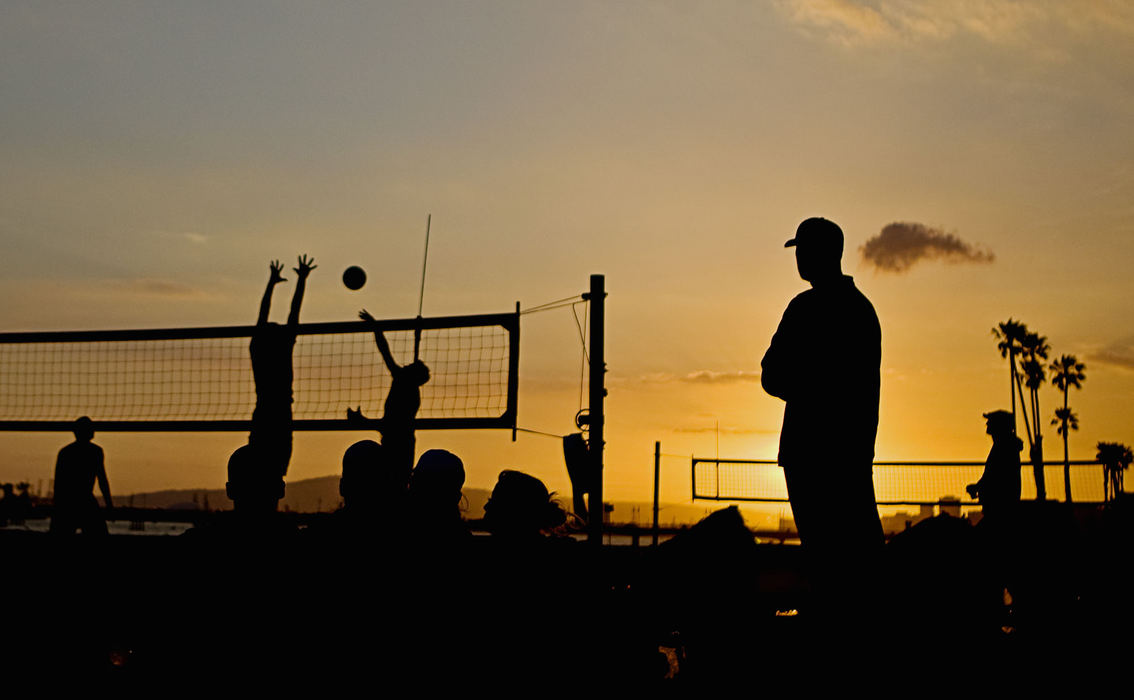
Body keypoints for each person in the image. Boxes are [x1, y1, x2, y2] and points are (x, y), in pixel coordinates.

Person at [760, 217, 884, 607]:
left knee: (827, 560)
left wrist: (807, 390)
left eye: (802, 250)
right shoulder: (862, 310)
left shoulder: (804, 309)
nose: (798, 258)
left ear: (821, 254)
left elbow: (771, 375)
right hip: (849, 455)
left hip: (811, 456)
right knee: (858, 560)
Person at [249, 255, 315, 481]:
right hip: (280, 415)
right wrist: (302, 280)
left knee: (260, 470)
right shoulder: (281, 344)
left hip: (265, 413)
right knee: (275, 473)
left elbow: (264, 314)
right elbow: (293, 313)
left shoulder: (257, 346)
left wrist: (271, 282)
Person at [351, 309, 430, 480]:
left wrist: (362, 421)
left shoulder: (407, 392)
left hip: (399, 447)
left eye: (410, 366)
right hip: (396, 443)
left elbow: (389, 426)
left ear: (413, 376)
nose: (406, 365)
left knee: (393, 485)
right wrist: (375, 327)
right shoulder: (403, 381)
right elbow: (385, 351)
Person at [49, 416, 113, 535]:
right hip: (85, 500)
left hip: (67, 502)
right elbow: (102, 480)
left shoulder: (65, 452)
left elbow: (58, 483)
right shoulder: (96, 451)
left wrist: (57, 506)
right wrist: (109, 504)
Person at [966, 410, 1022, 525]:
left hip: (999, 508)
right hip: (998, 507)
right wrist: (978, 487)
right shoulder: (1004, 446)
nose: (987, 424)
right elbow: (991, 475)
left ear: (999, 425)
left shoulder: (1003, 448)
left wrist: (978, 487)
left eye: (990, 421)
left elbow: (994, 476)